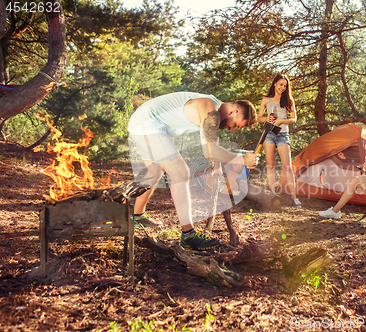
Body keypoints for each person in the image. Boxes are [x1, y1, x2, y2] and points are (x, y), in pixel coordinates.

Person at [127, 92, 260, 250]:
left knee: (155, 170)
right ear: (233, 112)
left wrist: (217, 168)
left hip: (142, 121)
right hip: (148, 122)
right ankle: (188, 235)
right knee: (180, 173)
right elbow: (210, 151)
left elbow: (212, 144)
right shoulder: (210, 108)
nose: (232, 130)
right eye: (236, 125)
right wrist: (242, 160)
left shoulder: (213, 109)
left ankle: (136, 215)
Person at [257, 74, 301, 207]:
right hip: (269, 134)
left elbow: (294, 119)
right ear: (275, 83)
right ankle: (271, 195)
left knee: (287, 167)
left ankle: (294, 198)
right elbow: (259, 118)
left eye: (285, 86)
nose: (282, 87)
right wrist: (267, 119)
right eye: (280, 84)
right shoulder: (266, 100)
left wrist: (281, 120)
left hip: (283, 135)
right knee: (270, 165)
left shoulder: (288, 100)